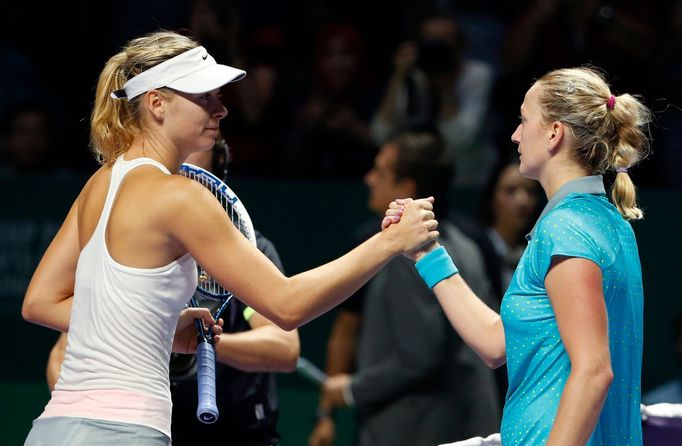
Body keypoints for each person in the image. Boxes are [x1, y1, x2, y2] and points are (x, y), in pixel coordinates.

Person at [21, 30, 439, 446]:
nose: (220, 109)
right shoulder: (181, 197)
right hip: (124, 433)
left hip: (54, 428)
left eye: (219, 97)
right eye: (204, 97)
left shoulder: (100, 182)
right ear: (156, 103)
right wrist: (389, 242)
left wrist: (158, 325)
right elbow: (287, 306)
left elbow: (40, 302)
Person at [384, 67, 651, 445]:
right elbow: (497, 344)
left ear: (555, 133)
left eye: (525, 121)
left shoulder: (566, 228)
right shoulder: (608, 223)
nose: (515, 134)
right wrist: (427, 252)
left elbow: (593, 370)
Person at [44, 138, 301, 446]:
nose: (176, 166)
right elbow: (61, 355)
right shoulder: (133, 251)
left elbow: (284, 348)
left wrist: (206, 342)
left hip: (241, 434)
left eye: (192, 155)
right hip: (155, 432)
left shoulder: (250, 249)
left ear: (215, 175)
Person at [308, 132, 500, 446]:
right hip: (466, 424)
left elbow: (420, 355)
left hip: (419, 430)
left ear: (407, 189)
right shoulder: (469, 247)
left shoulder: (407, 254)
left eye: (381, 172)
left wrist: (351, 389)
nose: (369, 179)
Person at [369, 13, 496, 187]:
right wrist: (398, 75)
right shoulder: (412, 76)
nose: (437, 50)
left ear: (460, 46)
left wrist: (446, 86)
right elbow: (380, 134)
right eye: (431, 42)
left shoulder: (477, 75)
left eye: (444, 43)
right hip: (417, 182)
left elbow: (460, 140)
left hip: (468, 179)